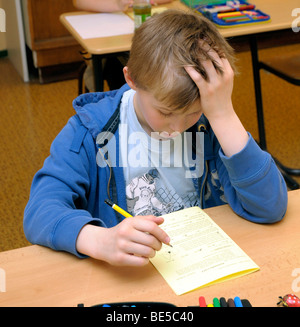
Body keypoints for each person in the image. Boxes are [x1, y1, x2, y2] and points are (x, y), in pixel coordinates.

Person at [24, 10, 288, 267]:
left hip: (195, 265)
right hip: (127, 273)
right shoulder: (89, 130)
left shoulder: (210, 125)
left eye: (193, 113)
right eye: (165, 112)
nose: (176, 127)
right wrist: (100, 239)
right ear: (132, 79)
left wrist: (223, 114)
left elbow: (270, 206)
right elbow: (40, 211)